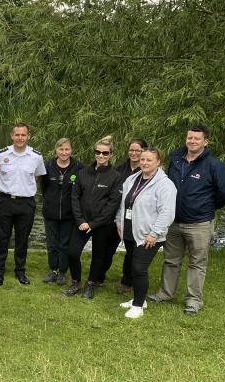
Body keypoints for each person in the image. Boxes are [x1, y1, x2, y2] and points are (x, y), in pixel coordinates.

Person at [148, 126, 225, 315]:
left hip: (199, 223)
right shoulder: (176, 160)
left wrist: (206, 207)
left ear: (205, 142)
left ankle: (193, 300)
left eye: (197, 138)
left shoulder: (213, 164)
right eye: (190, 138)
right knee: (171, 260)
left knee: (197, 263)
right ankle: (165, 293)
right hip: (175, 222)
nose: (192, 141)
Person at [115, 148, 177, 319]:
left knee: (139, 268)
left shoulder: (165, 185)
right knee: (134, 267)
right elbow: (123, 203)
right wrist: (119, 222)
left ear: (159, 162)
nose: (144, 163)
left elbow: (167, 213)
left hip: (149, 235)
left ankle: (138, 306)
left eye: (149, 160)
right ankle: (139, 299)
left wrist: (155, 233)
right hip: (130, 230)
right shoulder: (132, 178)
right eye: (142, 159)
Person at [62, 136, 122, 299]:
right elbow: (75, 198)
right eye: (98, 152)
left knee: (99, 256)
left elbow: (112, 204)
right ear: (94, 153)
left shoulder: (115, 177)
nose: (101, 156)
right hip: (81, 223)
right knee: (73, 252)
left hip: (102, 224)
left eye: (105, 153)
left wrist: (94, 224)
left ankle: (90, 284)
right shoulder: (82, 173)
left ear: (110, 154)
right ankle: (75, 282)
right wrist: (81, 221)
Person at [0, 123, 46, 285]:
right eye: (17, 135)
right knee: (2, 239)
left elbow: (37, 176)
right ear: (12, 136)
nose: (20, 138)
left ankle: (20, 271)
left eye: (23, 135)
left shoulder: (36, 156)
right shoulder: (0, 154)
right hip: (5, 201)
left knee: (22, 240)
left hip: (26, 203)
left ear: (28, 137)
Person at [40, 138, 83, 286]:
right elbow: (44, 188)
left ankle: (63, 272)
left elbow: (80, 191)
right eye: (61, 149)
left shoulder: (78, 167)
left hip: (69, 214)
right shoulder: (48, 166)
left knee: (64, 244)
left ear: (71, 150)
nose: (64, 152)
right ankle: (53, 270)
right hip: (50, 213)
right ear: (56, 150)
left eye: (67, 149)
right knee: (52, 244)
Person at [113, 138, 148, 294]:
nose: (134, 153)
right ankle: (99, 277)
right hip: (118, 215)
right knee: (117, 248)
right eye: (131, 150)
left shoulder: (147, 171)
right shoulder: (119, 170)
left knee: (134, 252)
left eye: (138, 150)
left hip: (139, 217)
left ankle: (128, 281)